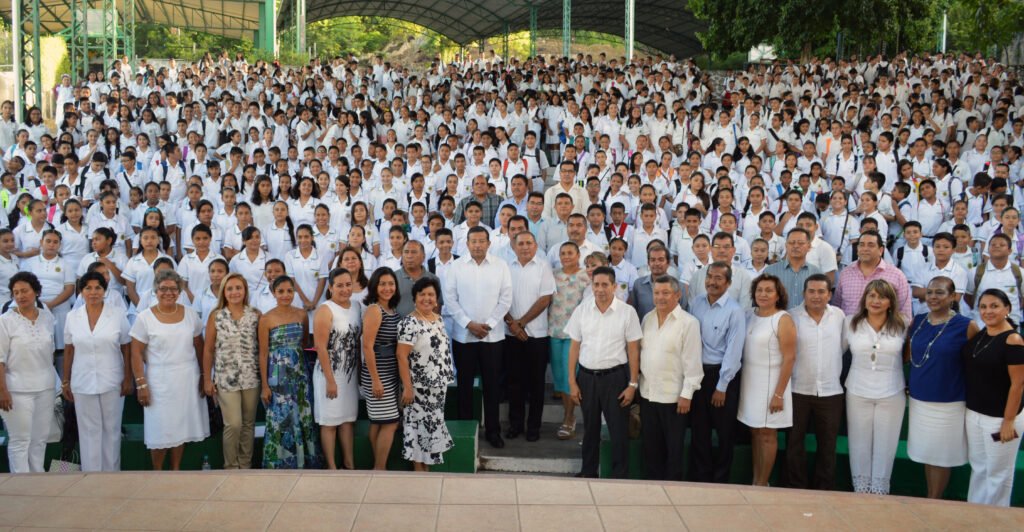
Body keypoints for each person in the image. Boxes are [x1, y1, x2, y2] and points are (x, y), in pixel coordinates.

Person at [129, 270, 210, 470]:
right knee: (160, 430)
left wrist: (204, 376)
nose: (168, 293)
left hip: (187, 378)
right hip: (158, 380)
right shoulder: (144, 318)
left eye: (173, 288)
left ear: (180, 291)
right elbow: (136, 353)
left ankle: (175, 471)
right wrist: (141, 384)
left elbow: (200, 348)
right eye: (163, 288)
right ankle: (157, 473)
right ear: (155, 291)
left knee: (180, 428)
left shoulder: (190, 314)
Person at [566, 265, 642, 478]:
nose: (600, 289)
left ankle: (619, 476)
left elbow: (633, 350)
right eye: (596, 284)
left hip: (615, 379)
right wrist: (572, 381)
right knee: (590, 429)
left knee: (618, 430)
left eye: (605, 285)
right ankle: (588, 472)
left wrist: (632, 384)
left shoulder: (627, 312)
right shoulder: (582, 310)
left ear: (614, 286)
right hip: (587, 378)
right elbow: (574, 348)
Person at [906, 276, 978, 498]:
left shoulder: (966, 326)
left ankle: (934, 502)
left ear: (953, 296)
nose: (933, 297)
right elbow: (909, 355)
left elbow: (977, 364)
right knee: (928, 453)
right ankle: (932, 498)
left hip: (948, 401)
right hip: (919, 400)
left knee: (941, 456)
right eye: (929, 292)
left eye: (940, 292)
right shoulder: (918, 321)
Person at [443, 226, 513, 448]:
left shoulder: (500, 266)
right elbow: (450, 299)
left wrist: (489, 324)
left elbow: (506, 299)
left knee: (492, 386)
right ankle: (465, 429)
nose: (478, 245)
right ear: (467, 244)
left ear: (489, 243)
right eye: (473, 241)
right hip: (464, 337)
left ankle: (493, 431)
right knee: (464, 385)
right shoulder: (456, 267)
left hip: (492, 338)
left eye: (482, 241)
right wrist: (469, 324)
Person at [62, 271, 131, 472]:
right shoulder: (72, 316)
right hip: (82, 380)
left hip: (112, 379)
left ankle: (111, 475)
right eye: (88, 288)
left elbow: (126, 347)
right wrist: (65, 380)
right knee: (88, 430)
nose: (93, 292)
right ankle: (91, 476)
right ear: (81, 291)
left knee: (112, 429)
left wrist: (128, 378)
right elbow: (69, 350)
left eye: (98, 288)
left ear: (105, 290)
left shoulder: (117, 314)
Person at [844, 279, 908, 494]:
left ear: (891, 302)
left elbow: (909, 354)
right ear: (864, 299)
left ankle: (880, 491)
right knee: (858, 443)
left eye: (882, 297)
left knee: (886, 444)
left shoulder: (902, 324)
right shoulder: (850, 323)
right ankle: (861, 490)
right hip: (857, 390)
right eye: (871, 296)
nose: (876, 301)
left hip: (891, 392)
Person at [962, 288, 1024, 506]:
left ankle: (996, 519)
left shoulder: (1013, 340)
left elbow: (1018, 384)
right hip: (975, 414)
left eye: (994, 306)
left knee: (999, 474)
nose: (988, 311)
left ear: (1007, 309)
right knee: (979, 468)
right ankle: (976, 513)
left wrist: (1008, 421)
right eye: (983, 307)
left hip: (1000, 419)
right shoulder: (982, 334)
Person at [638, 275, 703, 481]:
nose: (660, 297)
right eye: (657, 293)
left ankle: (673, 490)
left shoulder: (689, 323)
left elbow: (693, 363)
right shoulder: (647, 319)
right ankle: (653, 490)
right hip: (648, 395)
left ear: (677, 295)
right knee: (651, 450)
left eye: (666, 293)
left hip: (674, 399)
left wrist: (687, 394)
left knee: (674, 452)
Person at [787, 274, 847, 490]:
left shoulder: (839, 316)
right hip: (798, 390)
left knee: (828, 445)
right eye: (811, 291)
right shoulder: (792, 316)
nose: (816, 296)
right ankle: (796, 487)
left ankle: (824, 490)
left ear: (829, 294)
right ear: (804, 293)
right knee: (794, 443)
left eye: (821, 291)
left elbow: (843, 346)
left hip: (830, 392)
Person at [688, 261, 746, 483]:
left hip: (722, 376)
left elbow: (734, 351)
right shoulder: (696, 303)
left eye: (718, 278)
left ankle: (721, 479)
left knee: (724, 431)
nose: (712, 282)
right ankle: (701, 477)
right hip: (698, 374)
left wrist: (722, 386)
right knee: (699, 430)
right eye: (709, 277)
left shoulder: (735, 311)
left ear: (728, 283)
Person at [739, 274, 797, 486]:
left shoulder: (783, 319)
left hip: (771, 386)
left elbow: (790, 358)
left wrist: (778, 394)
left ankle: (762, 484)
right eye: (759, 290)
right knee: (755, 433)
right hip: (750, 384)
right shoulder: (749, 315)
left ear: (778, 295)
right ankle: (757, 481)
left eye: (769, 290)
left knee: (767, 435)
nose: (763, 294)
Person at [258, 275, 320, 469]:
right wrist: (265, 385)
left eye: (289, 291)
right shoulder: (266, 318)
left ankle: (304, 461)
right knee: (281, 417)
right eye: (281, 291)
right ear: (274, 293)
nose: (285, 295)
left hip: (300, 373)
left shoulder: (302, 314)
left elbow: (305, 343)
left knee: (302, 415)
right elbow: (263, 353)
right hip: (277, 377)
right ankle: (281, 464)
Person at [201, 272, 261, 469]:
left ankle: (245, 464)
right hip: (226, 378)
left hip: (251, 377)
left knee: (248, 424)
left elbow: (261, 347)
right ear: (223, 292)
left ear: (245, 290)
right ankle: (231, 466)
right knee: (233, 424)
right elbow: (208, 349)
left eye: (238, 288)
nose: (235, 292)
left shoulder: (255, 315)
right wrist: (207, 379)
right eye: (230, 289)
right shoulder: (216, 316)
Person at [397, 277, 455, 471]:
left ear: (436, 299)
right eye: (422, 294)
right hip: (418, 389)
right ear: (415, 298)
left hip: (437, 387)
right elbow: (401, 356)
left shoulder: (438, 319)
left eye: (431, 294)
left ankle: (426, 470)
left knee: (431, 429)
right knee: (417, 429)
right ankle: (418, 471)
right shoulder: (409, 322)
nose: (427, 298)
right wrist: (407, 388)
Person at [0, 273, 56, 473]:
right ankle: (21, 486)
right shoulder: (5, 321)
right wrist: (2, 391)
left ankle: (38, 482)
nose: (20, 296)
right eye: (16, 292)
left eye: (24, 291)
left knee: (39, 440)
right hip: (16, 389)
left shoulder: (47, 317)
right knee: (20, 441)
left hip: (46, 387)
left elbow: (51, 352)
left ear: (36, 292)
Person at [504, 231, 555, 441]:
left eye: (529, 243)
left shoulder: (543, 266)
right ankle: (515, 424)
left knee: (536, 384)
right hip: (511, 334)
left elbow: (545, 299)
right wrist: (513, 325)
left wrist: (522, 323)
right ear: (514, 247)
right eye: (521, 243)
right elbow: (500, 299)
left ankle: (534, 427)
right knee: (514, 382)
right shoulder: (506, 267)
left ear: (535, 246)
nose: (525, 247)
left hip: (537, 335)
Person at [312, 268, 362, 470]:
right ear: (331, 287)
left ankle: (349, 465)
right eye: (339, 285)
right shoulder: (325, 309)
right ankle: (331, 468)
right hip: (329, 374)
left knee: (347, 421)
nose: (344, 289)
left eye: (348, 284)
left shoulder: (357, 306)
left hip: (349, 374)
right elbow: (320, 347)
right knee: (330, 422)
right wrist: (330, 380)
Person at [360, 267, 403, 469]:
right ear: (374, 287)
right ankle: (380, 468)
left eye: (391, 284)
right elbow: (367, 346)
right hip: (377, 374)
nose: (387, 288)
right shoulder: (374, 310)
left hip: (391, 372)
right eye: (382, 284)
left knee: (379, 422)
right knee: (391, 423)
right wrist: (376, 380)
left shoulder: (392, 310)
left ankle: (378, 468)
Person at [548, 241, 589, 440]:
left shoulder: (586, 276)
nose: (566, 256)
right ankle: (568, 414)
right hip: (554, 332)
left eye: (570, 253)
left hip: (575, 336)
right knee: (559, 377)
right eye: (563, 253)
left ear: (578, 255)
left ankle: (569, 417)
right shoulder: (553, 275)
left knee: (569, 376)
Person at [832, 230, 912, 320]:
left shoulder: (896, 275)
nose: (865, 249)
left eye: (871, 245)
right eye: (861, 245)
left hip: (882, 328)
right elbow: (837, 307)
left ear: (881, 250)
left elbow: (905, 314)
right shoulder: (846, 273)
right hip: (848, 327)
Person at [764, 228, 821, 308]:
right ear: (786, 245)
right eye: (791, 243)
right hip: (778, 315)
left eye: (800, 243)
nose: (796, 246)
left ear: (809, 246)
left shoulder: (816, 273)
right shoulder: (770, 272)